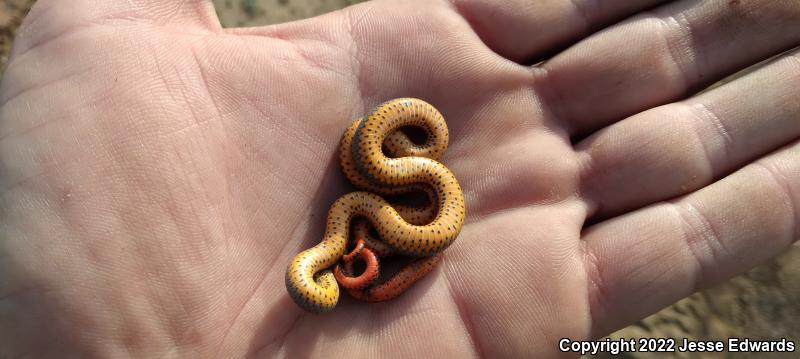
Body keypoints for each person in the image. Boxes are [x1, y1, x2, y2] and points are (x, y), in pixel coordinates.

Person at [0, 0, 797, 357]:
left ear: (326, 268)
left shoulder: (373, 197)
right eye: (344, 270)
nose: (339, 273)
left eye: (337, 270)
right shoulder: (359, 222)